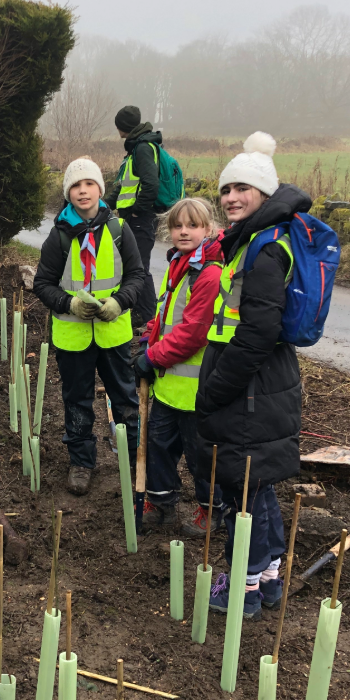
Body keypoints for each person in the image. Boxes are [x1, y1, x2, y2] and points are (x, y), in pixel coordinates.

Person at [194, 132, 312, 617]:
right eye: (226, 189)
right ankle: (266, 579)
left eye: (243, 188)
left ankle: (240, 590)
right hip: (259, 386)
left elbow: (256, 336)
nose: (231, 198)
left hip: (249, 391)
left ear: (264, 193)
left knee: (241, 490)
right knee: (256, 487)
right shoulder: (259, 241)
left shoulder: (264, 252)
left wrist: (214, 391)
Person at [33, 157, 144, 495]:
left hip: (113, 336)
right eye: (76, 187)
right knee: (77, 401)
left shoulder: (119, 230)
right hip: (73, 338)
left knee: (125, 398)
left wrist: (119, 302)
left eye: (89, 184)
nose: (83, 191)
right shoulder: (59, 236)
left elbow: (137, 276)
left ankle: (133, 460)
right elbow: (42, 284)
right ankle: (82, 462)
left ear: (100, 189)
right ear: (68, 194)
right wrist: (69, 304)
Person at [132, 196, 232, 537]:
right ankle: (161, 504)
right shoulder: (181, 266)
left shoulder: (208, 273)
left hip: (196, 390)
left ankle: (212, 510)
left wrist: (152, 357)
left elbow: (193, 333)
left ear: (208, 229)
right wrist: (150, 336)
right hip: (169, 385)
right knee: (159, 445)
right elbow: (167, 318)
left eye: (192, 225)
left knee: (200, 456)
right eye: (178, 226)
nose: (184, 231)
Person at [111, 105, 165, 333]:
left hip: (141, 218)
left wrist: (136, 210)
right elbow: (123, 187)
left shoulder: (142, 148)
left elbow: (151, 184)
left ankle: (148, 316)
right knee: (134, 264)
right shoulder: (135, 148)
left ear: (123, 127)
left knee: (140, 266)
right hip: (133, 218)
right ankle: (141, 313)